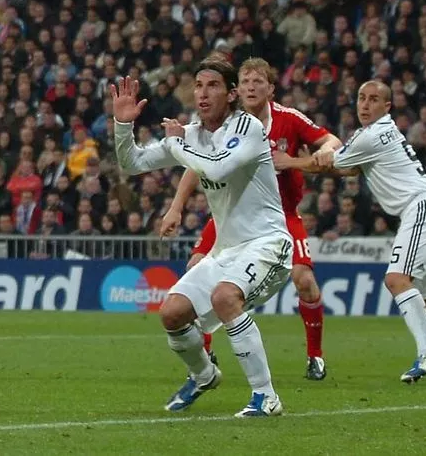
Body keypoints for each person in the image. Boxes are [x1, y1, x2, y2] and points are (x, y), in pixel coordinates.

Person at [111, 58, 291, 418]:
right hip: (227, 250)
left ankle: (266, 396)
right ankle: (204, 375)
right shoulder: (191, 134)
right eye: (198, 85)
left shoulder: (248, 127)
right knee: (172, 313)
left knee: (225, 297)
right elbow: (132, 163)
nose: (203, 93)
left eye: (213, 86)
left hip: (268, 243)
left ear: (232, 94)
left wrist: (177, 144)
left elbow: (217, 168)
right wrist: (123, 125)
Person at [162, 57, 341, 380]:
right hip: (232, 212)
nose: (250, 88)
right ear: (236, 90)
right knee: (196, 267)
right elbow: (197, 164)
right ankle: (206, 356)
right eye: (244, 82)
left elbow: (331, 142)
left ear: (271, 89)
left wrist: (304, 158)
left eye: (258, 81)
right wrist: (176, 207)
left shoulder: (289, 118)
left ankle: (315, 356)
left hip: (281, 215)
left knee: (305, 281)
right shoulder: (227, 122)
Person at [302, 80, 426, 385]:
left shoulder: (371, 134)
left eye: (373, 99)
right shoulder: (380, 133)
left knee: (396, 280)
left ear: (387, 106)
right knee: (423, 299)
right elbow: (349, 168)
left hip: (421, 208)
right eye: (361, 98)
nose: (365, 105)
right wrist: (314, 161)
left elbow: (330, 164)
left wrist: (290, 161)